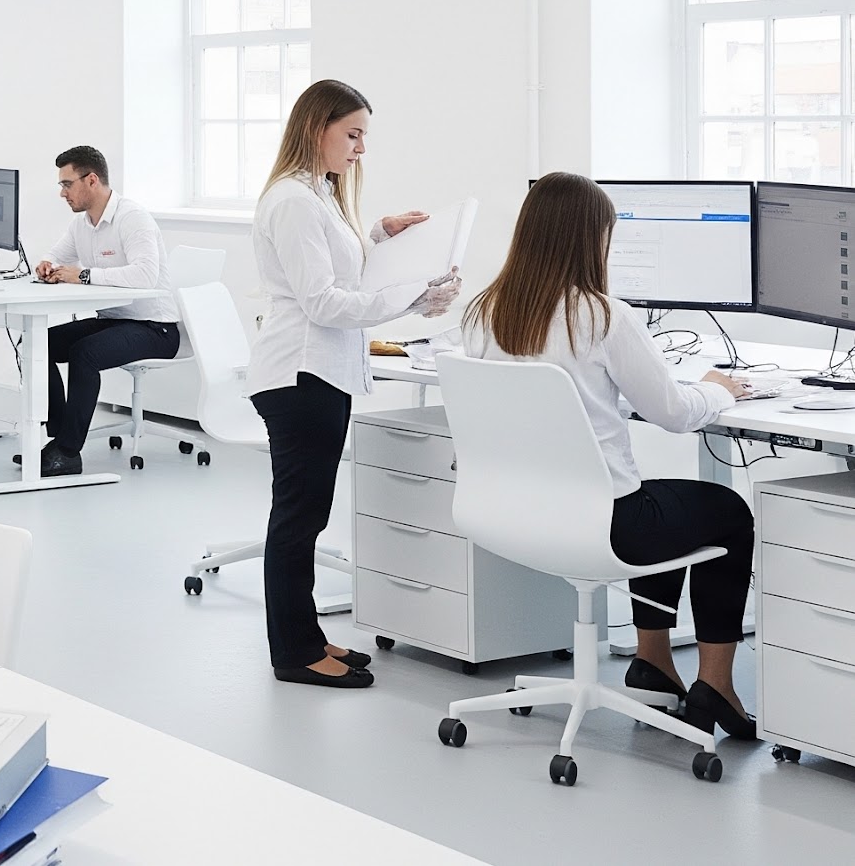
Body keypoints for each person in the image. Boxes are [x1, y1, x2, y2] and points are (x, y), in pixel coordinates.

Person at [463, 173, 758, 740]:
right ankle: (716, 683)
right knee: (722, 510)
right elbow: (673, 412)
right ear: (592, 239)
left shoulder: (485, 312)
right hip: (605, 525)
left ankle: (653, 663)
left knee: (665, 503)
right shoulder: (603, 316)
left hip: (516, 516)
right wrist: (721, 389)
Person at [250, 80, 459, 690]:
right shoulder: (292, 200)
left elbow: (332, 265)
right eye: (353, 134)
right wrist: (412, 296)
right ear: (318, 128)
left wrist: (377, 237)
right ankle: (292, 652)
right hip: (300, 373)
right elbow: (322, 300)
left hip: (320, 371)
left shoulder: (318, 194)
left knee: (306, 515)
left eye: (364, 135)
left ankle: (307, 636)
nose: (361, 147)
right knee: (297, 518)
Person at [30, 145, 180, 477]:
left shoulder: (132, 218)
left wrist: (83, 275)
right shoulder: (82, 224)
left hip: (156, 328)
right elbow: (58, 255)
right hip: (115, 320)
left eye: (67, 184)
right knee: (39, 342)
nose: (62, 193)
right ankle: (58, 437)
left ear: (92, 180)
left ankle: (68, 452)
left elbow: (145, 275)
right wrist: (47, 265)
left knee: (85, 353)